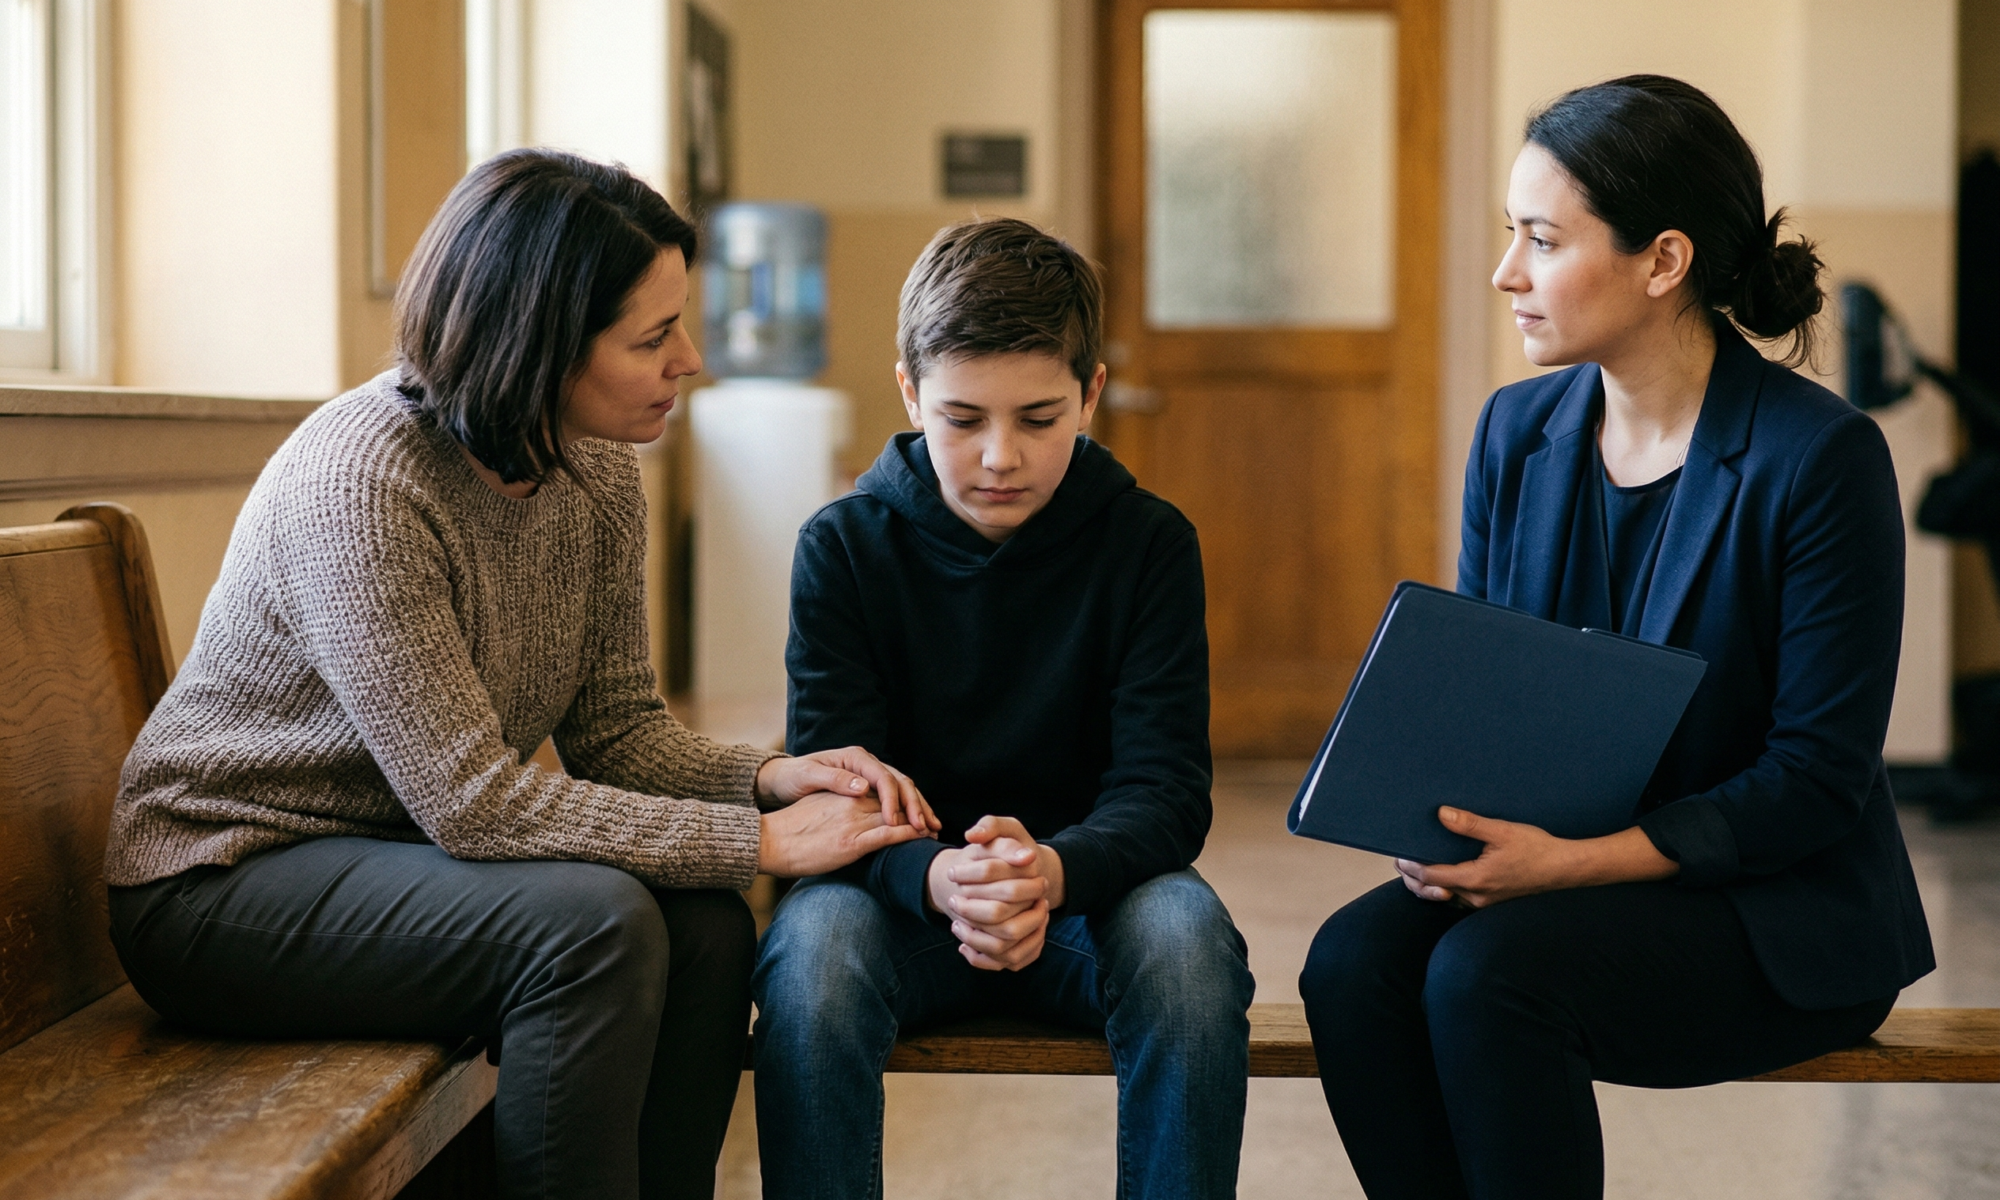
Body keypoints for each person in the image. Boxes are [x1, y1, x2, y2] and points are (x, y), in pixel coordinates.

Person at [102, 148, 938, 1200]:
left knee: (708, 925)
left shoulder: (593, 467)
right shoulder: (361, 483)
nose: (689, 357)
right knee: (593, 926)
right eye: (650, 337)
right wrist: (760, 840)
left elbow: (619, 731)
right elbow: (473, 804)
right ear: (537, 346)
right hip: (221, 882)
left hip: (397, 854)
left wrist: (773, 778)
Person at [1298, 76, 1935, 1200]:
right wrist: (1432, 822)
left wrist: (1567, 866)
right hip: (1568, 873)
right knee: (1349, 964)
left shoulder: (1817, 459)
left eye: (1540, 240)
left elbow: (1813, 781)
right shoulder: (1516, 429)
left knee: (1488, 977)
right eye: (1510, 236)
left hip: (1773, 908)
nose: (1506, 274)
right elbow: (1484, 698)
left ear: (1662, 261)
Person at [751, 217, 1255, 1200]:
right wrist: (940, 879)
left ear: (1091, 394)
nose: (996, 456)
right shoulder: (843, 548)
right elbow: (833, 797)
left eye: (1037, 418)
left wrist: (1052, 873)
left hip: (1089, 895)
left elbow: (1164, 792)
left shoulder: (1149, 545)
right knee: (808, 954)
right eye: (960, 417)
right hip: (899, 901)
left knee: (1189, 946)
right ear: (907, 391)